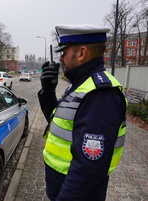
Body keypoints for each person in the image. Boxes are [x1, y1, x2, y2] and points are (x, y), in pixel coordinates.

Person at [39, 24, 127, 201]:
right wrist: (47, 92)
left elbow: (88, 170)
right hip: (61, 184)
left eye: (64, 53)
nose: (61, 59)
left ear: (81, 53)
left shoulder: (100, 94)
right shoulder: (81, 85)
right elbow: (60, 122)